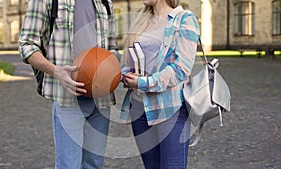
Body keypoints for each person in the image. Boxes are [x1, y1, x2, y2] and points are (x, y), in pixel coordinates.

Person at [18, 0, 118, 168]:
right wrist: (57, 71)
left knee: (94, 164)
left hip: (101, 100)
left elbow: (112, 48)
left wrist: (112, 71)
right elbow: (26, 44)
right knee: (69, 165)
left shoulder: (105, 2)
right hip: (67, 99)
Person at [121, 0, 200, 168]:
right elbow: (127, 61)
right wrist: (125, 75)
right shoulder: (141, 21)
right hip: (139, 108)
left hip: (170, 109)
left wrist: (145, 83)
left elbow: (181, 69)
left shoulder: (184, 19)